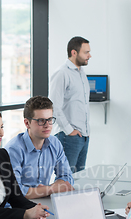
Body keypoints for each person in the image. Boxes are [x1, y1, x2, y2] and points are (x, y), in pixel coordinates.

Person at [5, 96, 74, 199]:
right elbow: (15, 191)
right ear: (27, 123)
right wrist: (50, 189)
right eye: (41, 121)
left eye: (49, 119)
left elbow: (67, 177)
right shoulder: (13, 150)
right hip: (18, 206)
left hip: (43, 201)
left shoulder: (55, 143)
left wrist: (47, 189)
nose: (47, 125)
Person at [49, 36, 92, 172]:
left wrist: (85, 132)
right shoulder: (62, 73)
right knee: (65, 179)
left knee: (79, 178)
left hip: (83, 136)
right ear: (74, 53)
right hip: (68, 136)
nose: (89, 56)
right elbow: (54, 106)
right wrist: (69, 131)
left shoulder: (81, 73)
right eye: (86, 52)